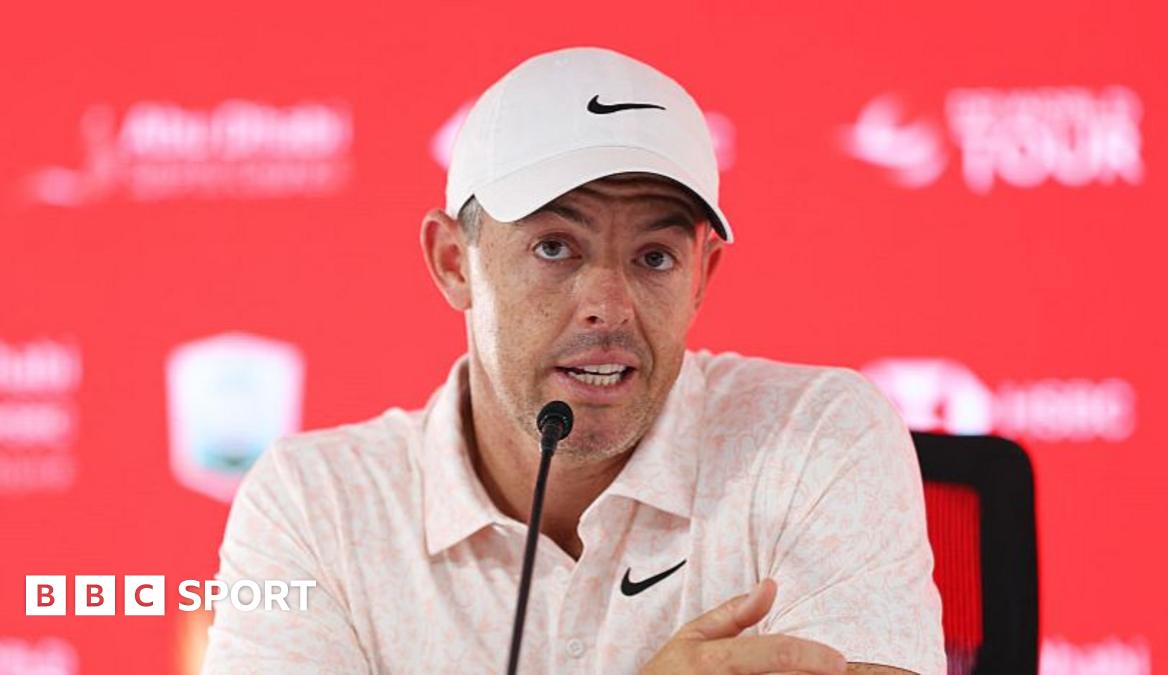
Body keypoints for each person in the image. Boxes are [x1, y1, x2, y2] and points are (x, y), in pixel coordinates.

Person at [201, 46, 946, 675]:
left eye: (654, 256)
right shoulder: (315, 503)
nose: (610, 306)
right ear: (453, 261)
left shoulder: (815, 435)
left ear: (701, 279)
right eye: (555, 247)